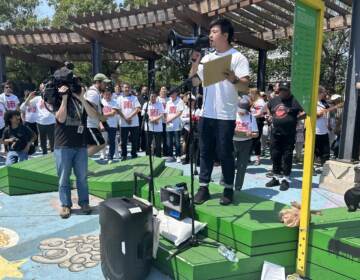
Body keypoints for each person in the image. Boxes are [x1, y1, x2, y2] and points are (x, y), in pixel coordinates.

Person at [190, 18, 250, 205]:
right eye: (210, 32)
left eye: (214, 32)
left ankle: (228, 189)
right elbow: (193, 82)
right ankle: (203, 187)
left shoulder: (238, 57)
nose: (210, 35)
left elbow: (245, 85)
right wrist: (195, 60)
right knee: (205, 151)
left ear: (225, 35)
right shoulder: (207, 58)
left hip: (225, 115)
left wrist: (233, 78)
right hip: (206, 114)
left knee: (225, 152)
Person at [54, 85, 99, 219]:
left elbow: (94, 116)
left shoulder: (84, 102)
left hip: (80, 145)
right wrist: (64, 98)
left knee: (82, 177)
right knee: (64, 178)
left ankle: (84, 202)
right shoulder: (58, 100)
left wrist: (82, 99)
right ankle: (65, 205)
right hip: (63, 145)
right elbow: (60, 119)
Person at [265, 81, 305, 191]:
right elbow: (267, 107)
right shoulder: (274, 100)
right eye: (281, 90)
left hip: (289, 135)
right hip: (275, 134)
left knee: (287, 157)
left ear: (290, 90)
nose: (283, 92)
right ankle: (276, 177)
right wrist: (269, 115)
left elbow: (305, 112)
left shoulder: (295, 101)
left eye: (285, 90)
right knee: (275, 155)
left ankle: (286, 180)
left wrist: (296, 119)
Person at [233, 97, 258, 190]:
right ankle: (226, 185)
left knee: (242, 167)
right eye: (239, 109)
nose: (240, 112)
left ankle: (238, 187)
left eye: (243, 110)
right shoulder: (233, 114)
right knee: (229, 164)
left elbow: (256, 134)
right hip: (233, 142)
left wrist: (251, 134)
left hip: (246, 143)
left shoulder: (251, 117)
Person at [85, 73, 109, 157]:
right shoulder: (93, 93)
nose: (106, 85)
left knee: (89, 146)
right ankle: (79, 159)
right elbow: (90, 110)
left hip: (91, 124)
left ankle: (82, 168)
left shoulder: (95, 92)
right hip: (89, 124)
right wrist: (101, 118)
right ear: (98, 82)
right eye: (104, 83)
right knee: (101, 144)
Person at [117, 83, 141, 160]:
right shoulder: (119, 98)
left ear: (130, 89)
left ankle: (134, 154)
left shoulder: (134, 98)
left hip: (134, 123)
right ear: (122, 88)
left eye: (128, 87)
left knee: (134, 140)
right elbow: (118, 110)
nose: (126, 89)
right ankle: (124, 155)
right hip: (123, 123)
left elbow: (137, 109)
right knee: (123, 141)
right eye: (125, 87)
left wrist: (129, 117)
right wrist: (125, 118)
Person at [142, 91, 164, 157]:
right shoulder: (146, 104)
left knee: (158, 144)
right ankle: (148, 156)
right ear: (149, 97)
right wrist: (151, 120)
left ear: (156, 97)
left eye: (154, 96)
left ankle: (158, 157)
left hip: (158, 127)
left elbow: (162, 114)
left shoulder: (160, 104)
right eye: (152, 96)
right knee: (148, 143)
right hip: (149, 127)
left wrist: (155, 119)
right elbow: (143, 114)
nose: (153, 98)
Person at [165, 89, 184, 163]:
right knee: (169, 142)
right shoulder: (168, 102)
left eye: (173, 93)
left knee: (177, 142)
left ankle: (178, 155)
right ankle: (170, 156)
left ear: (176, 93)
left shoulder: (180, 101)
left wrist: (171, 119)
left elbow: (179, 112)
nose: (172, 95)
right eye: (170, 93)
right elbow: (166, 112)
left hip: (177, 125)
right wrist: (167, 120)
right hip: (169, 124)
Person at [100, 87, 119, 163]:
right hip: (103, 124)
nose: (107, 96)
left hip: (112, 125)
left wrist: (102, 115)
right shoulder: (100, 102)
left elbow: (113, 113)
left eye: (109, 94)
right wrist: (100, 123)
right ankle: (102, 154)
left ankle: (110, 157)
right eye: (106, 94)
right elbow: (97, 114)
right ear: (103, 94)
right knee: (102, 141)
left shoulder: (115, 102)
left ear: (111, 95)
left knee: (112, 142)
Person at [249, 88, 266, 165]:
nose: (250, 95)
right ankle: (249, 156)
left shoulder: (260, 102)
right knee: (251, 139)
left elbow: (259, 114)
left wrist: (250, 116)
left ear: (255, 94)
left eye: (251, 94)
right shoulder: (255, 101)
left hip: (258, 121)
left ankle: (257, 159)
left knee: (256, 140)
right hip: (253, 121)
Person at [158, 86, 169, 157]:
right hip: (158, 121)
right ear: (160, 91)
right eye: (162, 90)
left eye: (165, 90)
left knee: (165, 138)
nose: (164, 91)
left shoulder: (169, 99)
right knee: (158, 138)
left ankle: (165, 152)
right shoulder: (157, 99)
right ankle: (157, 151)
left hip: (166, 121)